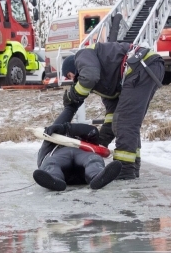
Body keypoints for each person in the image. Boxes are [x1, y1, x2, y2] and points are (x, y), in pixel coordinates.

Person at [61, 41, 165, 180]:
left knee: (126, 122)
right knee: (127, 121)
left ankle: (124, 169)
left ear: (74, 66)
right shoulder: (107, 83)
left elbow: (89, 77)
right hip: (146, 67)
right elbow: (112, 119)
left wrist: (73, 96)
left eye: (69, 75)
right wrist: (99, 143)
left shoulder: (82, 55)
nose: (72, 80)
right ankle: (132, 167)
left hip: (141, 65)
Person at [34, 115, 123, 192]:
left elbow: (93, 131)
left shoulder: (83, 140)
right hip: (65, 162)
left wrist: (65, 128)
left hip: (81, 163)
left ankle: (98, 177)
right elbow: (92, 131)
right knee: (53, 163)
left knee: (92, 159)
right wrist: (65, 126)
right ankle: (54, 180)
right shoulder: (50, 142)